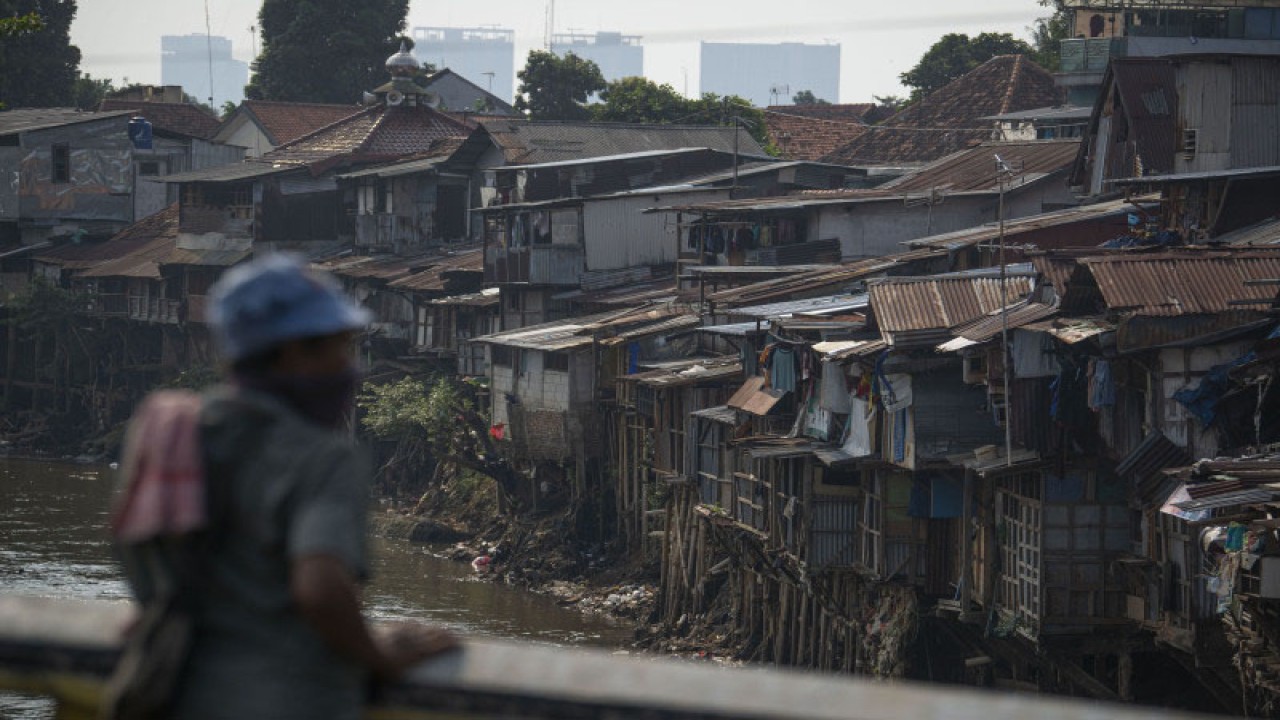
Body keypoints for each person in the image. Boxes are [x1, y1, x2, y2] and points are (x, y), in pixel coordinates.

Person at [111, 254, 456, 720]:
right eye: (341, 347)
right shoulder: (323, 457)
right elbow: (320, 590)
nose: (349, 366)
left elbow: (141, 557)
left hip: (176, 693)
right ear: (296, 353)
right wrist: (381, 656)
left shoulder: (170, 432)